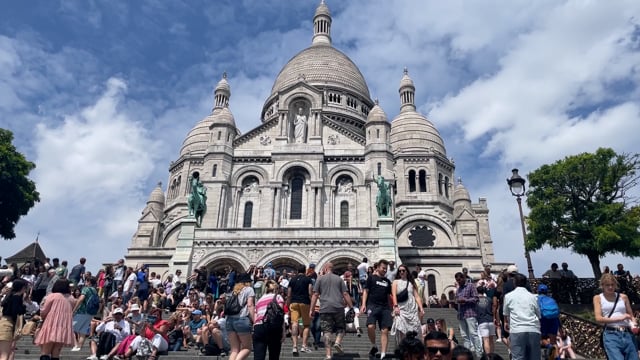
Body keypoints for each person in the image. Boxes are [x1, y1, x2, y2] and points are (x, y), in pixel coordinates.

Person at [309, 261, 353, 360]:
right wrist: (351, 307)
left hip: (324, 308)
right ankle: (337, 342)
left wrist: (311, 309)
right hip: (338, 307)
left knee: (327, 331)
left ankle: (328, 355)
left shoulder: (320, 279)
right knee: (341, 328)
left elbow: (315, 295)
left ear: (325, 269)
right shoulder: (339, 279)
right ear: (332, 269)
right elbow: (345, 294)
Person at [593, 272, 639, 360]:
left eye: (612, 284)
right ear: (602, 285)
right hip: (611, 334)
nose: (610, 287)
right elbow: (598, 318)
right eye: (607, 285)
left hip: (627, 333)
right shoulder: (598, 298)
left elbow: (630, 315)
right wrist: (620, 318)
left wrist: (634, 324)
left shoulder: (623, 297)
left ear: (615, 285)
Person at [35, 279, 76, 360]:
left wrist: (41, 317)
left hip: (51, 323)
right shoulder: (71, 298)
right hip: (64, 325)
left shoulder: (52, 296)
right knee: (56, 352)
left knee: (45, 350)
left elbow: (44, 311)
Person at [503, 273, 541, 360]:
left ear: (514, 282)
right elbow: (538, 314)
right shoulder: (533, 297)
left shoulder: (508, 296)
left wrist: (505, 322)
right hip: (533, 329)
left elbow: (505, 313)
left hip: (517, 329)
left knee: (518, 357)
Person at [361, 259, 393, 359]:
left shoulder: (387, 281)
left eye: (386, 269)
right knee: (370, 326)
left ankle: (383, 354)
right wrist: (363, 304)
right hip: (372, 306)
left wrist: (391, 308)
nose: (385, 270)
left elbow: (388, 296)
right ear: (378, 267)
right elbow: (366, 291)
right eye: (383, 268)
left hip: (385, 308)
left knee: (385, 330)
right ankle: (374, 346)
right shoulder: (371, 278)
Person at [391, 264, 424, 343]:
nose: (401, 272)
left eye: (403, 270)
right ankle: (403, 347)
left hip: (411, 308)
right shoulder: (395, 282)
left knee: (414, 328)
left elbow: (417, 296)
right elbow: (394, 295)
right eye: (400, 271)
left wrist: (421, 308)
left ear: (407, 272)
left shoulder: (411, 283)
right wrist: (395, 306)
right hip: (401, 308)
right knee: (401, 328)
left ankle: (413, 346)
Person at [252, 280, 285, 360]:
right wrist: (283, 331)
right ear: (275, 289)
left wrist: (254, 330)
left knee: (258, 357)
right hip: (273, 326)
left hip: (259, 327)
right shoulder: (278, 297)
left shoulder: (259, 301)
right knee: (274, 355)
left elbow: (256, 318)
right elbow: (280, 315)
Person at [225, 272, 255, 360]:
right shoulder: (249, 289)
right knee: (247, 347)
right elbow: (250, 305)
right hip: (241, 319)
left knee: (234, 350)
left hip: (229, 320)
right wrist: (254, 320)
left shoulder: (233, 291)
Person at [454, 271, 482, 358]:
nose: (458, 282)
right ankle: (466, 355)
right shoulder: (458, 289)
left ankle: (479, 353)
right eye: (457, 280)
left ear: (463, 278)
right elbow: (458, 299)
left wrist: (465, 300)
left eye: (459, 280)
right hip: (461, 314)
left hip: (470, 313)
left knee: (473, 334)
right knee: (464, 336)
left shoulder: (471, 286)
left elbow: (476, 298)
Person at [287, 265, 313, 356]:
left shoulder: (292, 280)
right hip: (305, 302)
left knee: (294, 323)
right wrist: (312, 304)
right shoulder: (308, 279)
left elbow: (289, 294)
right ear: (305, 271)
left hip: (294, 303)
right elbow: (310, 292)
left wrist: (287, 304)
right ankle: (303, 346)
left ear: (297, 271)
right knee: (306, 325)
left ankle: (294, 346)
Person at [0, 279, 27, 360]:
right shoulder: (17, 297)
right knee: (4, 355)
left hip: (3, 323)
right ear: (22, 288)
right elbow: (15, 312)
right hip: (8, 325)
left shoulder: (9, 296)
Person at [71, 276, 99, 351]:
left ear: (89, 281)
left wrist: (74, 310)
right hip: (90, 312)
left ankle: (76, 345)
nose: (85, 282)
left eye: (86, 281)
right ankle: (79, 347)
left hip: (82, 311)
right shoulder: (95, 290)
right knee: (83, 330)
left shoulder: (86, 289)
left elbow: (81, 298)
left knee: (71, 328)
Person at [476, 286, 495, 355]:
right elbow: (493, 308)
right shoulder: (489, 299)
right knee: (491, 340)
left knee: (485, 340)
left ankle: (488, 357)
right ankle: (492, 355)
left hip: (482, 320)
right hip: (490, 320)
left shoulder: (476, 300)